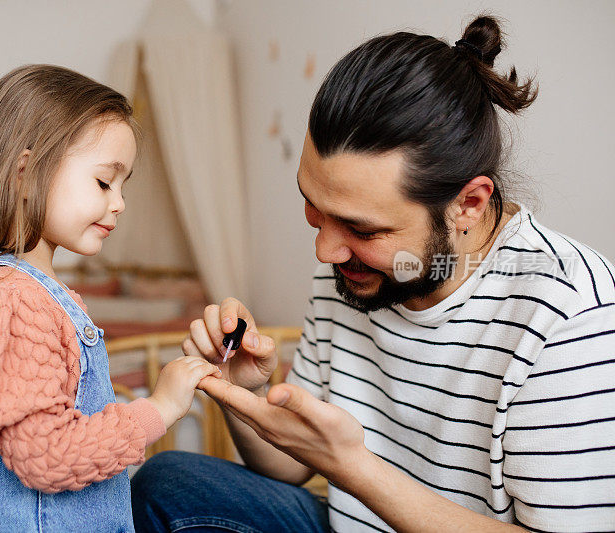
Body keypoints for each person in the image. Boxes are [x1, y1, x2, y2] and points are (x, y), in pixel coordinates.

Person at [131, 16, 615, 532]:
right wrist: (244, 395)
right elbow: (291, 466)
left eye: (361, 229)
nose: (325, 250)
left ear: (469, 204)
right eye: (313, 206)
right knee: (169, 484)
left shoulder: (571, 316)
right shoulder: (355, 273)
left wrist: (353, 468)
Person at [0, 64, 221, 532]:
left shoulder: (25, 293)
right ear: (26, 175)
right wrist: (161, 407)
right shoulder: (11, 300)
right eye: (104, 182)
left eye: (124, 185)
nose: (120, 202)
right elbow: (48, 455)